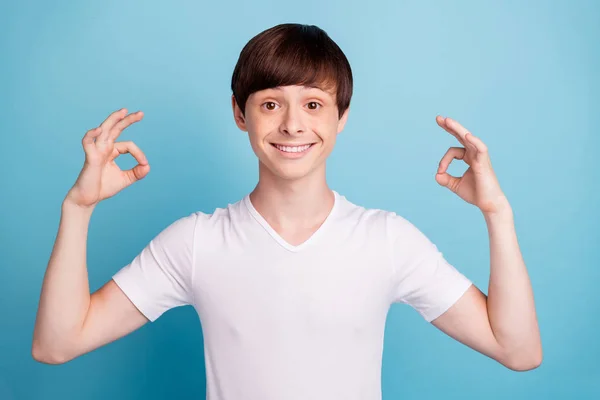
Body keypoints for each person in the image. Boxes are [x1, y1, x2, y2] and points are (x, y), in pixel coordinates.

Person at [32, 23, 542, 399]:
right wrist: (78, 208)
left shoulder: (387, 240)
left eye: (314, 104)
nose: (294, 125)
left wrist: (497, 213)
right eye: (271, 103)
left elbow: (518, 351)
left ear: (343, 116)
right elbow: (57, 344)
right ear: (240, 113)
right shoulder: (196, 243)